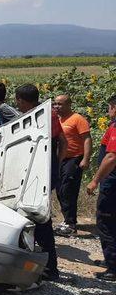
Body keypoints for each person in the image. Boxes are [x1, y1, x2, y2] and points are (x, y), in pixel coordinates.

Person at [15, 84, 67, 281]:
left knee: (39, 219)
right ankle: (39, 265)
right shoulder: (48, 115)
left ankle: (48, 269)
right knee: (33, 218)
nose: (16, 104)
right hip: (40, 173)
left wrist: (51, 168)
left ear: (22, 100)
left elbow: (62, 142)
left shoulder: (40, 116)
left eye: (18, 100)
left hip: (37, 176)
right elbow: (63, 142)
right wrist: (55, 166)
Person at [53, 95, 92, 236]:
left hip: (74, 158)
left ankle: (71, 224)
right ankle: (66, 219)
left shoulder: (78, 119)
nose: (56, 107)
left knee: (68, 189)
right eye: (55, 104)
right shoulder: (57, 120)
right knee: (59, 189)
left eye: (60, 104)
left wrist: (86, 159)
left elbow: (87, 139)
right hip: (60, 159)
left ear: (69, 105)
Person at [86, 96, 116, 281]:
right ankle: (110, 260)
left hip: (112, 182)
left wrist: (95, 180)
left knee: (106, 222)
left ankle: (113, 267)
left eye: (110, 107)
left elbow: (112, 157)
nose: (108, 111)